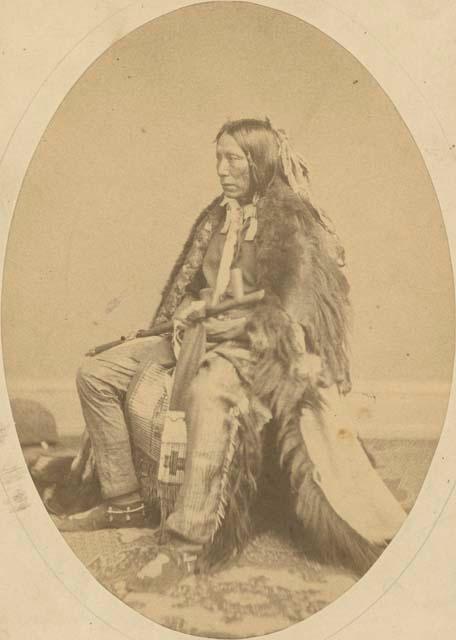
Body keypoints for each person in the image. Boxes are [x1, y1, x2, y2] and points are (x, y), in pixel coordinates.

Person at [56, 118, 406, 585]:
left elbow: (292, 312)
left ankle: (187, 544)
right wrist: (188, 313)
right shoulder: (218, 217)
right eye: (218, 157)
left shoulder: (293, 222)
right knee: (96, 372)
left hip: (255, 347)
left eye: (233, 159)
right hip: (198, 332)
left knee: (208, 393)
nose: (222, 169)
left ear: (259, 162)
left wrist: (234, 325)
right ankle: (125, 502)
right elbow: (191, 287)